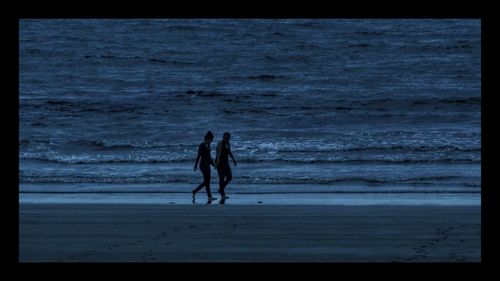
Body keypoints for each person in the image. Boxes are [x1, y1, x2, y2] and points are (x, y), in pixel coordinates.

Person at [192, 131, 217, 201]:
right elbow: (198, 156)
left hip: (207, 165)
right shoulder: (202, 145)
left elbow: (209, 157)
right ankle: (206, 195)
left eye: (212, 139)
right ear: (207, 138)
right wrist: (195, 165)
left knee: (207, 181)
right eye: (211, 139)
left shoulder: (208, 145)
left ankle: (198, 192)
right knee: (207, 181)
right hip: (203, 165)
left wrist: (214, 164)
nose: (212, 141)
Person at [215, 132, 237, 199]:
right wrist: (217, 164)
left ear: (229, 138)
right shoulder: (220, 143)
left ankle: (220, 189)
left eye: (228, 138)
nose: (226, 139)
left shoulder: (228, 143)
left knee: (229, 177)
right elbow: (218, 154)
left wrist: (234, 160)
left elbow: (229, 152)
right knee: (221, 178)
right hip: (220, 163)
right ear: (223, 137)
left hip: (226, 163)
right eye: (225, 137)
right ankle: (222, 195)